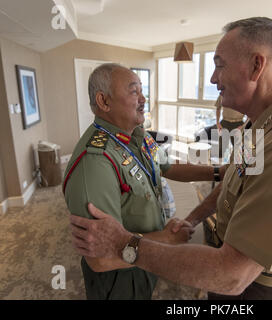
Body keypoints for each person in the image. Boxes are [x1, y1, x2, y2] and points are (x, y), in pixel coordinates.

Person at [69, 17, 272, 300]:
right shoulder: (258, 127)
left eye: (219, 65)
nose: (213, 78)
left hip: (260, 290)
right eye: (133, 91)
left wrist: (125, 244)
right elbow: (231, 182)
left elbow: (233, 275)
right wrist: (191, 218)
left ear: (256, 66)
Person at [64, 63, 225, 300]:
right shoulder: (95, 163)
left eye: (142, 90)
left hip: (143, 256)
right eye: (133, 91)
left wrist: (218, 172)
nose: (144, 98)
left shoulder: (138, 135)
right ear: (104, 101)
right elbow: (100, 259)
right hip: (119, 277)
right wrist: (167, 240)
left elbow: (167, 166)